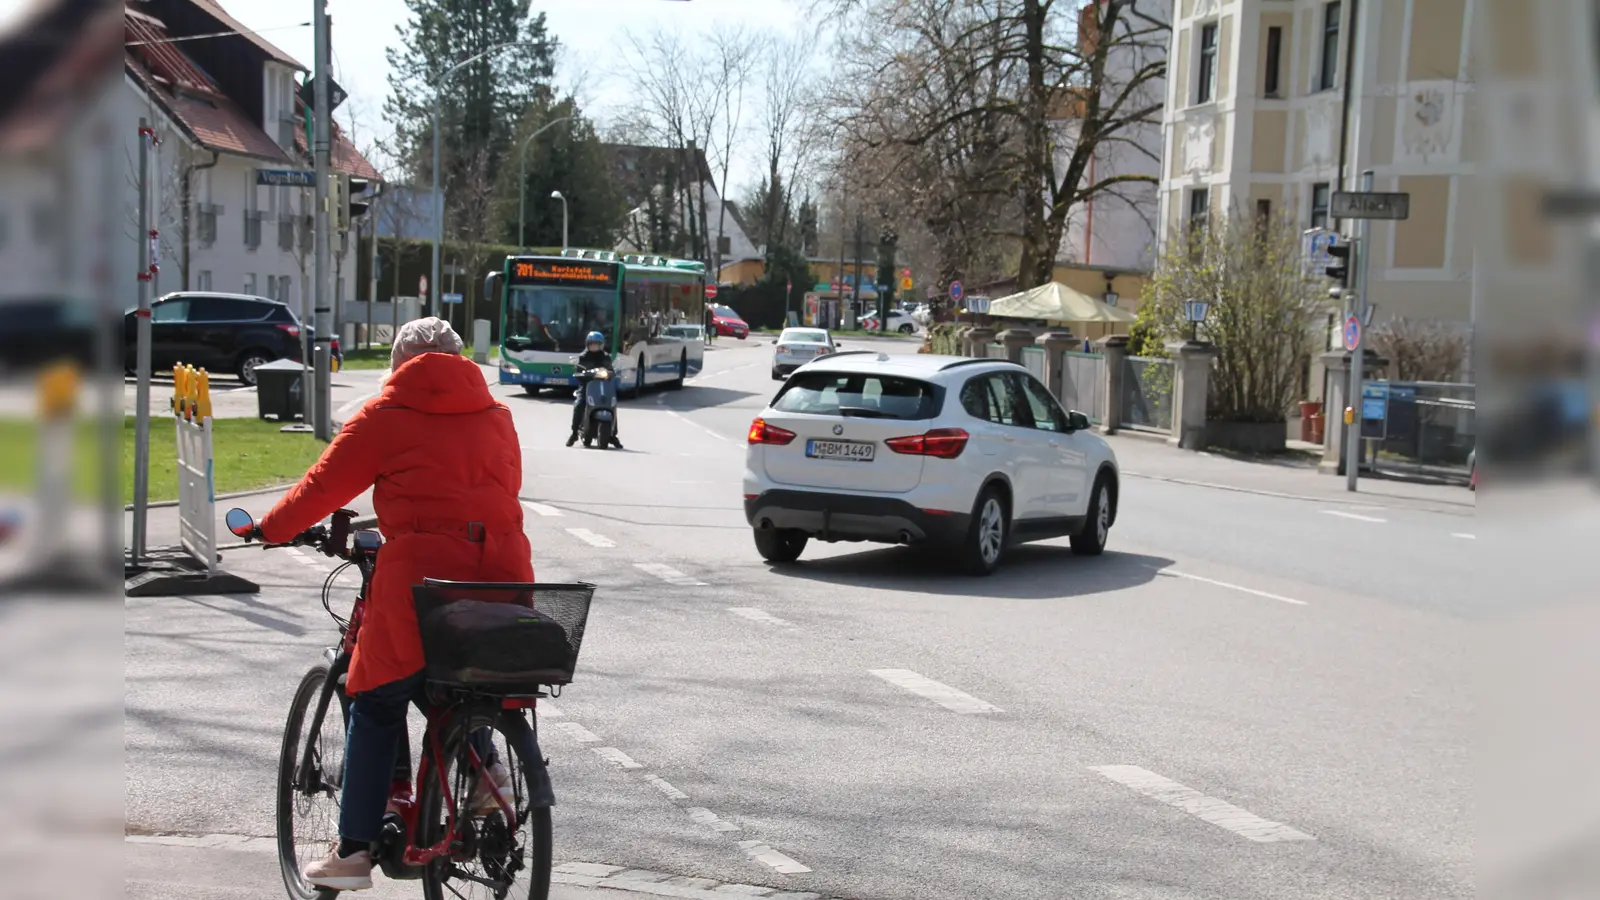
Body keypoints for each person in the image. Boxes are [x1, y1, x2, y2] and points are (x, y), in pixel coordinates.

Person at [259, 317, 535, 891]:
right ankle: (486, 778)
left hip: (419, 587)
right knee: (465, 683)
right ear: (461, 362)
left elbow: (321, 488)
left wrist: (269, 528)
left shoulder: (385, 417)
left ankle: (354, 850)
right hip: (500, 582)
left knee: (378, 701)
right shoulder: (498, 417)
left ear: (398, 364)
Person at [567, 330, 623, 449]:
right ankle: (574, 433)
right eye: (592, 344)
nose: (594, 346)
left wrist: (612, 373)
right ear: (588, 344)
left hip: (603, 386)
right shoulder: (583, 357)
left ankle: (612, 434)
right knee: (579, 404)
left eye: (597, 344)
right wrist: (582, 375)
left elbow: (611, 369)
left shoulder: (605, 356)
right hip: (587, 386)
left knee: (612, 404)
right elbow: (577, 372)